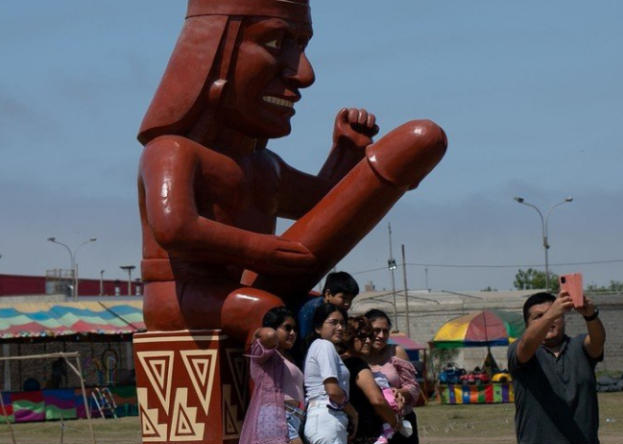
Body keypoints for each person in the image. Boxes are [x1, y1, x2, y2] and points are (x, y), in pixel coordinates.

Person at [137, 0, 447, 343]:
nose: (305, 74)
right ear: (212, 54)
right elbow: (174, 226)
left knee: (321, 314)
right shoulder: (171, 151)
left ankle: (325, 391)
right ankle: (272, 399)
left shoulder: (266, 165)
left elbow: (323, 206)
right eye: (275, 43)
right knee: (263, 312)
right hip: (178, 295)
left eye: (301, 47)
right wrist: (261, 250)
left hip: (239, 289)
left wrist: (345, 154)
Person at [507, 291, 606, 444]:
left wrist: (591, 315)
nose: (549, 320)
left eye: (555, 315)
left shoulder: (580, 347)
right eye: (538, 316)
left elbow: (598, 341)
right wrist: (551, 313)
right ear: (527, 324)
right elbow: (526, 346)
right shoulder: (521, 351)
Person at [232, 307, 315, 444]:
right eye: (287, 328)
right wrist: (265, 331)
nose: (292, 333)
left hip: (280, 421)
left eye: (295, 329)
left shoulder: (285, 357)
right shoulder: (264, 354)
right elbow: (267, 335)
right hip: (278, 420)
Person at [341, 316, 403, 444]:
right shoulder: (358, 365)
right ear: (349, 337)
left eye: (369, 336)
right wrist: (394, 422)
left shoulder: (340, 363)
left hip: (352, 439)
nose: (368, 340)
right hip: (368, 438)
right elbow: (377, 401)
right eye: (362, 336)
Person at [364, 309, 421, 444]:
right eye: (375, 330)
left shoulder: (396, 352)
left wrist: (403, 392)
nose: (380, 335)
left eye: (385, 331)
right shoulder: (358, 355)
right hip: (373, 428)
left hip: (403, 423)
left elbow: (414, 385)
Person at [303, 303, 358, 444]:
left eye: (342, 323)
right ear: (318, 327)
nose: (340, 328)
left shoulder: (326, 350)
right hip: (327, 417)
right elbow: (332, 389)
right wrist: (353, 412)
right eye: (333, 323)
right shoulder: (324, 346)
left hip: (329, 420)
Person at [296, 271, 360, 353]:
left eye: (350, 299)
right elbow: (303, 340)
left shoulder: (340, 313)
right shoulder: (312, 309)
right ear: (328, 294)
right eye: (344, 298)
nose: (347, 303)